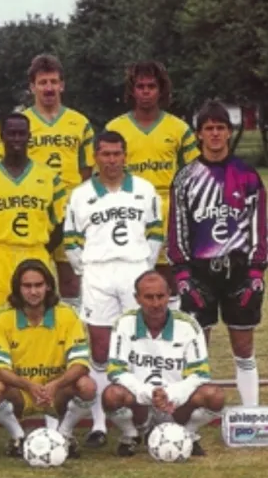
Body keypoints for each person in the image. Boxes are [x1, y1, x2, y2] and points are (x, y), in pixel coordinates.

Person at [63, 130, 163, 447]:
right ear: (95, 157)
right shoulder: (80, 195)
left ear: (125, 155)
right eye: (105, 154)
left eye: (117, 153)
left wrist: (145, 267)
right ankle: (100, 422)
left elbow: (155, 232)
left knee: (138, 345)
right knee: (100, 348)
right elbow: (71, 240)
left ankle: (142, 416)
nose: (111, 160)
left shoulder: (145, 190)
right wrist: (87, 269)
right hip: (98, 273)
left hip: (135, 269)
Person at [168, 101, 266, 408]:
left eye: (220, 128)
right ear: (198, 134)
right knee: (197, 349)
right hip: (200, 272)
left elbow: (259, 227)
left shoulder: (247, 175)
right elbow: (177, 229)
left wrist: (256, 272)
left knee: (244, 348)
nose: (214, 134)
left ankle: (251, 414)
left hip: (239, 271)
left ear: (229, 132)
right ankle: (193, 415)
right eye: (208, 128)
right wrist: (182, 273)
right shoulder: (185, 177)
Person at [106, 61, 200, 309]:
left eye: (151, 86)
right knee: (130, 275)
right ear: (132, 90)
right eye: (140, 86)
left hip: (169, 211)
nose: (146, 92)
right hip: (128, 211)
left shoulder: (179, 129)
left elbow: (195, 177)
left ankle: (171, 327)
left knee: (169, 277)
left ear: (161, 90)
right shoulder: (115, 128)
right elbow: (103, 177)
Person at [0, 113, 66, 331]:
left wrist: (43, 249)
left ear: (29, 136)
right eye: (11, 133)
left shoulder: (49, 177)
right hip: (0, 256)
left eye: (21, 133)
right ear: (2, 136)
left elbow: (62, 223)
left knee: (38, 325)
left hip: (36, 253)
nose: (16, 139)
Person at [0, 259, 95, 457]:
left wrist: (56, 385)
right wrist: (28, 386)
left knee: (87, 385)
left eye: (38, 285)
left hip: (55, 392)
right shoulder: (1, 317)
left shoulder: (67, 315)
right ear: (18, 288)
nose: (33, 292)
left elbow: (81, 364)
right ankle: (18, 437)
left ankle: (64, 434)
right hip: (21, 393)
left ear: (48, 286)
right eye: (27, 286)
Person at [103, 271, 225, 457]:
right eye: (149, 297)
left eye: (160, 296)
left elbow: (200, 374)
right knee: (111, 395)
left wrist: (172, 394)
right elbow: (116, 371)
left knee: (215, 396)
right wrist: (148, 393)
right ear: (137, 298)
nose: (156, 303)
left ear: (169, 295)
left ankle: (187, 434)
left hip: (176, 404)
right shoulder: (124, 323)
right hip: (140, 402)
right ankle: (132, 435)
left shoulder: (189, 325)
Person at [22, 54, 95, 312]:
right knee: (32, 276)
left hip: (69, 210)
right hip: (34, 209)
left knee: (70, 277)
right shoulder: (22, 123)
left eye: (53, 81)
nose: (49, 88)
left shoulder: (79, 122)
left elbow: (87, 169)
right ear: (32, 87)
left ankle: (72, 326)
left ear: (62, 85)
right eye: (42, 82)